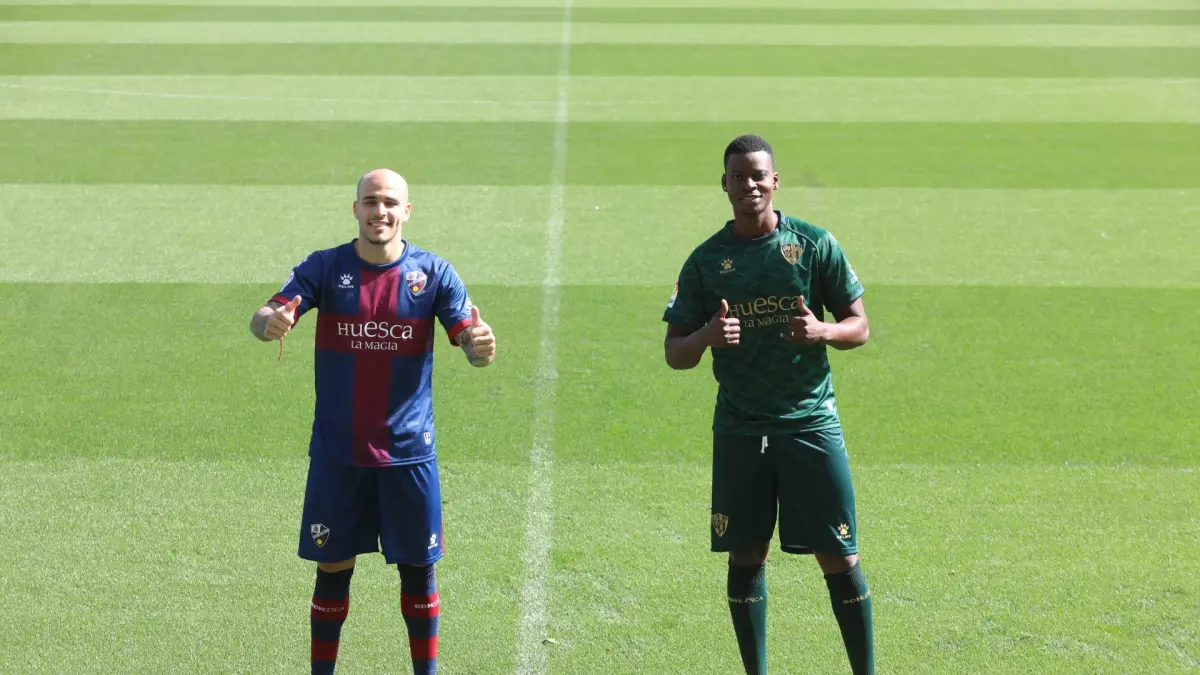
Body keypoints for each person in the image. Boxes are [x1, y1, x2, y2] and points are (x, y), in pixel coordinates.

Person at [249, 168, 496, 675]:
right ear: (355, 209)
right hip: (339, 453)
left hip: (408, 455)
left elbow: (470, 341)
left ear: (406, 211)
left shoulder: (434, 273)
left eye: (389, 202)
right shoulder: (324, 267)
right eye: (369, 201)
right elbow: (264, 316)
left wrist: (480, 347)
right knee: (332, 570)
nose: (379, 211)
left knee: (418, 574)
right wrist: (268, 322)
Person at [661, 135, 874, 674]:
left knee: (839, 554)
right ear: (724, 184)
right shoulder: (705, 261)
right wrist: (706, 336)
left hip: (809, 423)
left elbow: (859, 326)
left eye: (758, 175)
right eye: (738, 176)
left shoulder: (814, 244)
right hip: (741, 427)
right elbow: (675, 353)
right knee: (746, 553)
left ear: (775, 181)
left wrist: (823, 331)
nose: (749, 185)